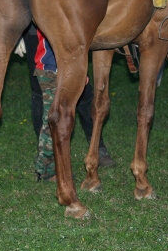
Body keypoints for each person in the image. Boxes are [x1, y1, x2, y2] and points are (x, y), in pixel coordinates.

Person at [15, 23, 115, 181]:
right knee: (53, 122)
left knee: (60, 119)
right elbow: (61, 46)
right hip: (51, 71)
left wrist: (79, 71)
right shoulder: (52, 17)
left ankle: (53, 164)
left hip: (62, 69)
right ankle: (46, 170)